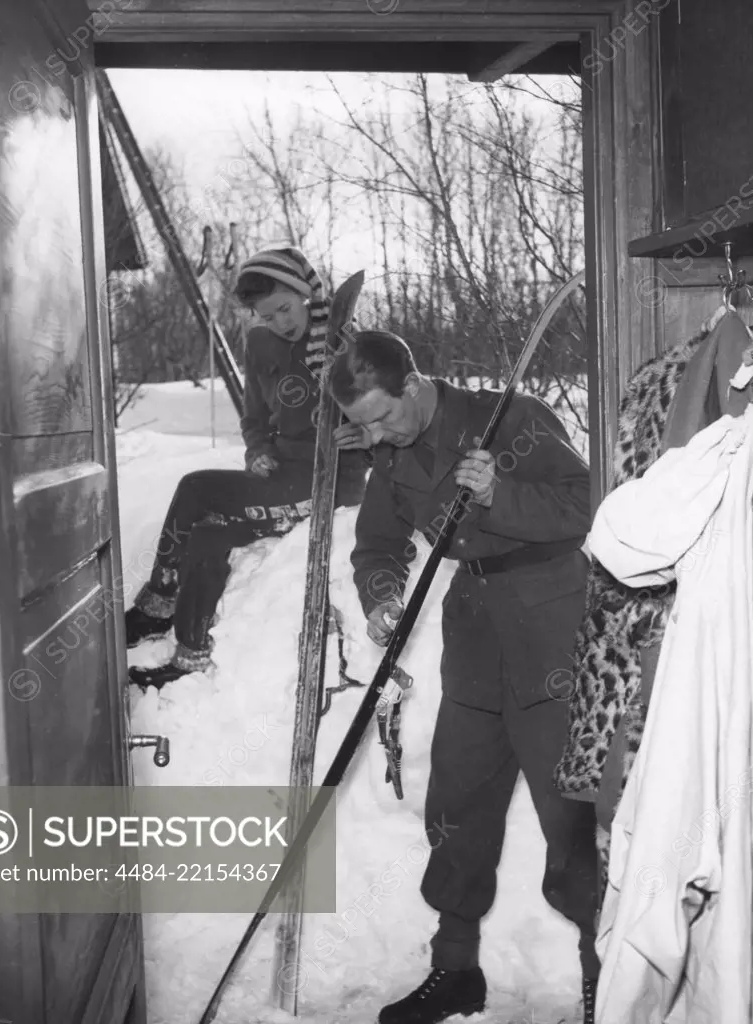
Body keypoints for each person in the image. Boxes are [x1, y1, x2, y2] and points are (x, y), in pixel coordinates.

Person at [328, 330, 600, 1024]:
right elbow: (378, 547)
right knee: (457, 811)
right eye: (364, 427)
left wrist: (500, 493)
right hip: (476, 634)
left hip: (551, 629)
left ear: (414, 384)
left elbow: (586, 506)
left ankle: (609, 977)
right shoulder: (388, 457)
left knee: (573, 817)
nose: (379, 436)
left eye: (385, 416)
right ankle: (456, 971)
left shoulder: (512, 417)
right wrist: (384, 596)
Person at [125, 246, 367, 688]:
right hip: (280, 477)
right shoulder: (259, 345)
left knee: (196, 488)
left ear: (305, 294)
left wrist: (365, 437)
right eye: (267, 315)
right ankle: (189, 655)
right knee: (206, 535)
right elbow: (254, 418)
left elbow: (386, 418)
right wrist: (257, 452)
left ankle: (156, 604)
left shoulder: (346, 343)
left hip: (330, 484)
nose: (281, 322)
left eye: (285, 309)